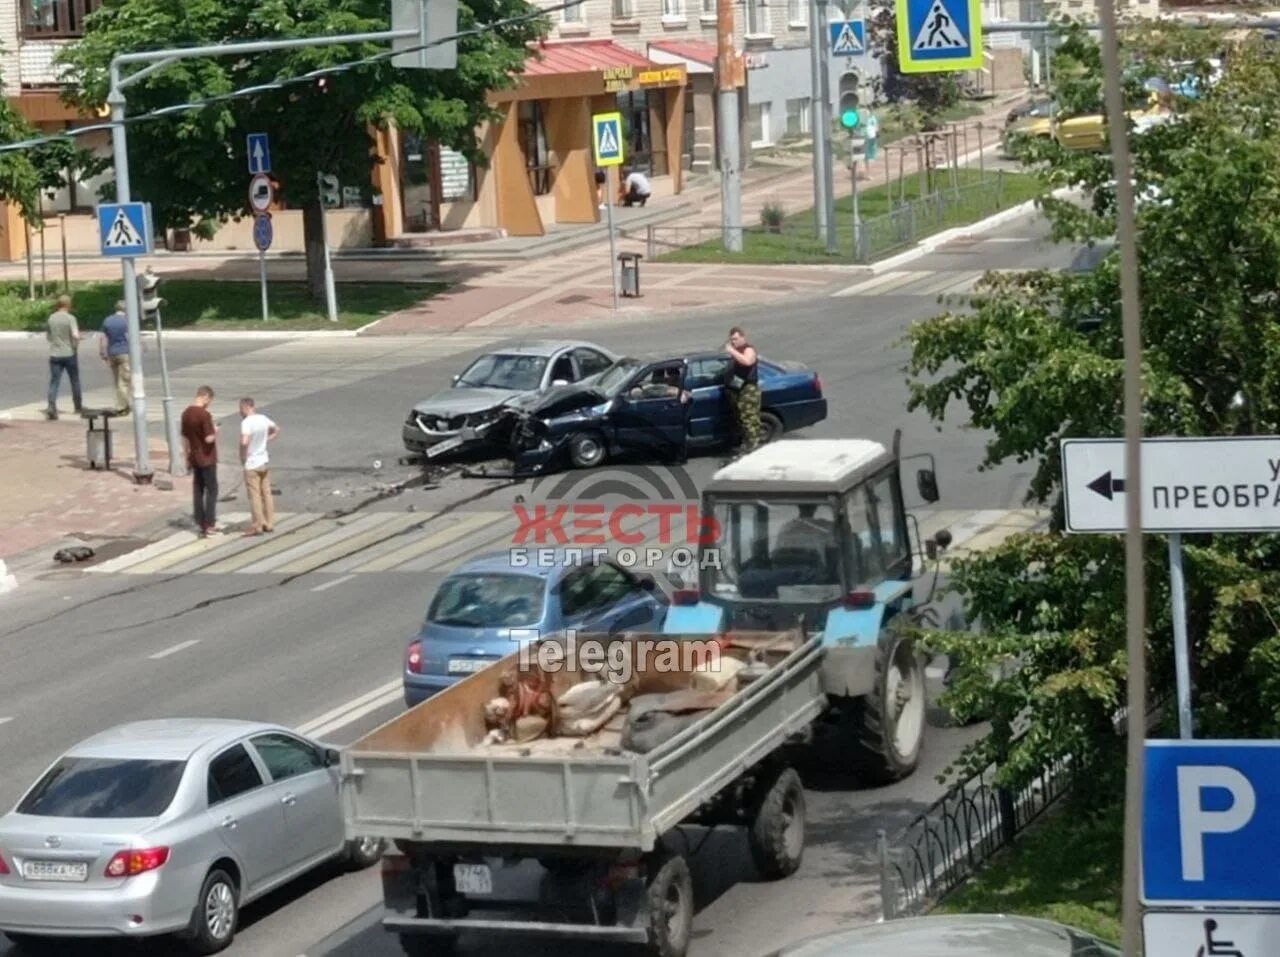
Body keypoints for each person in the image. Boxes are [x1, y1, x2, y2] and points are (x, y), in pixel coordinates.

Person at [181, 386, 220, 537]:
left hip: (194, 457)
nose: (209, 403)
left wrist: (187, 458)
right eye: (209, 400)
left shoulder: (186, 413)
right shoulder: (204, 415)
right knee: (212, 490)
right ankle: (210, 524)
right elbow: (208, 438)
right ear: (205, 397)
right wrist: (215, 431)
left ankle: (200, 521)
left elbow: (185, 439)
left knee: (198, 489)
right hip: (207, 457)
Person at [239, 397, 280, 536]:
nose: (240, 412)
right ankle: (270, 523)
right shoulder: (263, 418)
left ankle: (258, 524)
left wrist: (243, 456)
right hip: (264, 460)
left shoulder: (246, 422)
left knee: (254, 495)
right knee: (267, 493)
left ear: (245, 407)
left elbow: (244, 442)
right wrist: (266, 440)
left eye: (240, 409)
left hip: (252, 463)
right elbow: (276, 429)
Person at [45, 295, 82, 420]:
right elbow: (75, 335)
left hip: (55, 353)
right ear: (68, 305)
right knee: (74, 380)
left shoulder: (51, 318)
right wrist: (76, 345)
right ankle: (77, 406)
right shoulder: (70, 318)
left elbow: (49, 337)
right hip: (69, 353)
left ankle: (51, 406)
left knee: (54, 381)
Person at [725, 326, 761, 456]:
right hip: (739, 390)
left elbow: (747, 362)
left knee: (749, 418)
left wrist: (732, 351)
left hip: (749, 390)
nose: (733, 342)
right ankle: (748, 443)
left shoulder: (748, 349)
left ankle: (753, 445)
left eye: (735, 339)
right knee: (742, 418)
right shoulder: (737, 352)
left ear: (743, 337)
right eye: (731, 340)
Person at [98, 301, 131, 415]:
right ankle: (122, 407)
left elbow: (103, 338)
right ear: (125, 310)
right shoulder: (127, 321)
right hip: (124, 353)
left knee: (117, 381)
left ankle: (123, 404)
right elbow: (129, 337)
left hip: (112, 353)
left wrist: (102, 352)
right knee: (125, 381)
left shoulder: (107, 320)